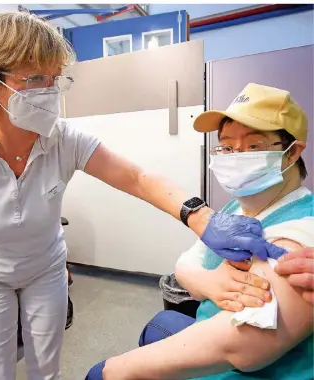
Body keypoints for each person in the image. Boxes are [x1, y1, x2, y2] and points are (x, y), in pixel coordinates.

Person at [0, 12, 283, 380]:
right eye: (35, 79)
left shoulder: (62, 139)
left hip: (44, 269)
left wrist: (201, 217)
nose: (49, 92)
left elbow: (136, 177)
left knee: (45, 368)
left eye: (55, 80)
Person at [86, 83, 314, 380]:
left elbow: (239, 347)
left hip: (253, 372)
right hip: (210, 333)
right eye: (227, 147)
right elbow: (184, 266)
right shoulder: (235, 209)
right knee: (161, 322)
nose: (235, 156)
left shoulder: (300, 233)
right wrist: (210, 283)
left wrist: (117, 369)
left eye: (254, 146)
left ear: (292, 152)